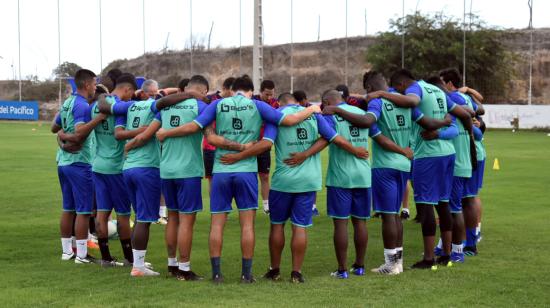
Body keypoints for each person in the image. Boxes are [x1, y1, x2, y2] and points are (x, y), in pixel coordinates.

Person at [155, 75, 321, 283]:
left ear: (232, 91)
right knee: (247, 225)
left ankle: (216, 274)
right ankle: (246, 274)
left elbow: (208, 135)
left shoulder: (218, 104)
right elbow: (289, 120)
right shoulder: (258, 105)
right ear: (251, 91)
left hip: (221, 170)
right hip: (246, 171)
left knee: (217, 224)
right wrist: (312, 109)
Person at [218, 93, 367, 283]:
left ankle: (275, 270)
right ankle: (296, 272)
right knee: (300, 227)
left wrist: (238, 156)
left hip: (284, 180)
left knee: (277, 225)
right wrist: (306, 154)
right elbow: (331, 138)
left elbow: (266, 144)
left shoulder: (277, 114)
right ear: (297, 102)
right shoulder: (313, 114)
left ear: (280, 103)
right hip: (308, 181)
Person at [324, 71, 452, 274]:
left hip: (385, 165)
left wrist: (338, 110)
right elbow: (426, 123)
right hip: (404, 165)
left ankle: (391, 263)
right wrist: (445, 122)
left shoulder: (378, 103)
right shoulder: (405, 103)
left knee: (388, 216)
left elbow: (369, 124)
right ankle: (397, 262)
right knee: (395, 215)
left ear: (370, 89)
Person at [376, 69, 474, 269]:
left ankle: (429, 258)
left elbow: (412, 103)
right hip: (448, 153)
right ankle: (447, 254)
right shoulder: (437, 90)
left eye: (399, 91)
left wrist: (382, 94)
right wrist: (462, 133)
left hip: (428, 155)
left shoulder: (415, 90)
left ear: (402, 85)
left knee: (425, 205)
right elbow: (464, 114)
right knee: (443, 203)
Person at [126, 75, 212, 280]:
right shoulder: (200, 107)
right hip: (188, 171)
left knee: (172, 217)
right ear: (204, 91)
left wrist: (128, 146)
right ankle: (184, 268)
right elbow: (206, 133)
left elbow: (147, 135)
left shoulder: (165, 108)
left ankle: (172, 264)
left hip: (166, 170)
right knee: (186, 221)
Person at [98, 73, 161, 277]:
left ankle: (134, 261)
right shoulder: (155, 108)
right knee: (143, 218)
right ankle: (138, 266)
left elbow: (105, 108)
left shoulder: (128, 107)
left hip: (127, 168)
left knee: (137, 215)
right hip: (147, 168)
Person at [318, 90, 374, 278]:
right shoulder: (360, 113)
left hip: (340, 177)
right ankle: (359, 266)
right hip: (363, 175)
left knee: (340, 224)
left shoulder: (330, 115)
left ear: (326, 102)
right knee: (360, 222)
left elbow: (327, 138)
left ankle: (342, 270)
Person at [52, 69, 106, 264]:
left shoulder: (67, 102)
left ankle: (67, 252)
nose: (94, 87)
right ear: (86, 85)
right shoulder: (82, 105)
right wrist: (98, 119)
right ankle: (82, 255)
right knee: (83, 211)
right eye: (93, 83)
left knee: (68, 208)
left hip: (63, 162)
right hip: (79, 162)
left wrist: (62, 135)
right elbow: (79, 134)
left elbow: (54, 128)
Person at [89, 75, 137, 267]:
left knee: (102, 212)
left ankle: (106, 258)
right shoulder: (118, 107)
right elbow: (119, 135)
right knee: (123, 214)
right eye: (131, 93)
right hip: (116, 167)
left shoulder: (96, 106)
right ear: (126, 89)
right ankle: (129, 259)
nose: (130, 97)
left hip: (98, 164)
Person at [439, 69, 481, 258]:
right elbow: (479, 132)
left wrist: (437, 132)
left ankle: (457, 249)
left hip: (457, 160)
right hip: (470, 158)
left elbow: (453, 130)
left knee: (453, 207)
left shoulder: (450, 101)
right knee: (468, 200)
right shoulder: (466, 100)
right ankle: (469, 244)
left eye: (441, 82)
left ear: (448, 83)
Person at [203, 77, 236, 193]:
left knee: (229, 177)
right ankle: (214, 207)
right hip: (210, 147)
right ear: (224, 88)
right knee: (212, 179)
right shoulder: (209, 99)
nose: (233, 93)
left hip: (228, 145)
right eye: (232, 90)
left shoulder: (235, 103)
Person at [252, 79, 279, 214]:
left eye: (271, 94)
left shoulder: (275, 104)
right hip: (250, 144)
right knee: (250, 176)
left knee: (264, 176)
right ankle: (250, 205)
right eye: (266, 94)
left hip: (265, 145)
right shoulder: (252, 101)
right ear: (260, 92)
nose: (269, 97)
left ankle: (266, 205)